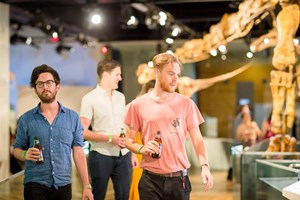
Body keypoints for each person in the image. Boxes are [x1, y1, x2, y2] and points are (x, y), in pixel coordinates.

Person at [125, 52, 213, 200]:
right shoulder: (138, 105)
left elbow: (198, 140)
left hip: (179, 180)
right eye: (171, 73)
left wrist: (205, 166)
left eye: (177, 75)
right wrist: (142, 148)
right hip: (150, 181)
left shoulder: (187, 104)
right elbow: (128, 140)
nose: (175, 79)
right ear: (157, 72)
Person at [12, 64, 93, 200]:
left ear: (57, 86)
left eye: (49, 82)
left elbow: (78, 152)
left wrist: (86, 186)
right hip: (35, 184)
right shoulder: (26, 119)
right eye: (40, 84)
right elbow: (16, 150)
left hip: (63, 184)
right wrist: (25, 154)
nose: (45, 87)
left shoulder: (72, 117)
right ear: (35, 89)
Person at [80, 59, 133, 200]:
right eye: (117, 74)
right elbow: (83, 131)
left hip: (124, 156)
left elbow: (125, 126)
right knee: (98, 196)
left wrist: (131, 152)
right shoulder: (89, 98)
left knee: (124, 197)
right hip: (100, 156)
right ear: (106, 74)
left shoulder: (120, 97)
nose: (120, 78)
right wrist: (110, 138)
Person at [128, 79, 156, 200]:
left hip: (153, 149)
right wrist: (133, 155)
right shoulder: (136, 105)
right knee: (138, 180)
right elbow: (129, 134)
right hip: (139, 149)